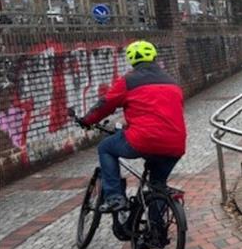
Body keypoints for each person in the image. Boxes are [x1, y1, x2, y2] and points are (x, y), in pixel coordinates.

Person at [77, 40, 186, 212]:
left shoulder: (129, 80)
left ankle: (115, 197)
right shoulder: (172, 82)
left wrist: (86, 120)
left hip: (144, 140)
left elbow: (106, 104)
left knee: (106, 147)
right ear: (154, 57)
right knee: (157, 185)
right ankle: (156, 233)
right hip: (176, 144)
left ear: (131, 60)